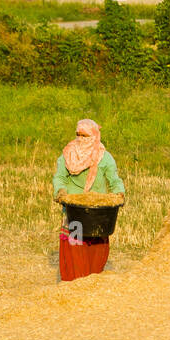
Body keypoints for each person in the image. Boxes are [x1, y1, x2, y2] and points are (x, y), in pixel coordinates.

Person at [52, 118, 125, 281]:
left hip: (97, 213)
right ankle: (75, 284)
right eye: (78, 135)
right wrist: (61, 191)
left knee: (97, 251)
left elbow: (114, 179)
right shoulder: (67, 155)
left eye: (85, 136)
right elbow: (59, 177)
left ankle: (93, 285)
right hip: (75, 212)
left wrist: (119, 193)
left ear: (94, 136)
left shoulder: (104, 157)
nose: (80, 139)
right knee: (75, 250)